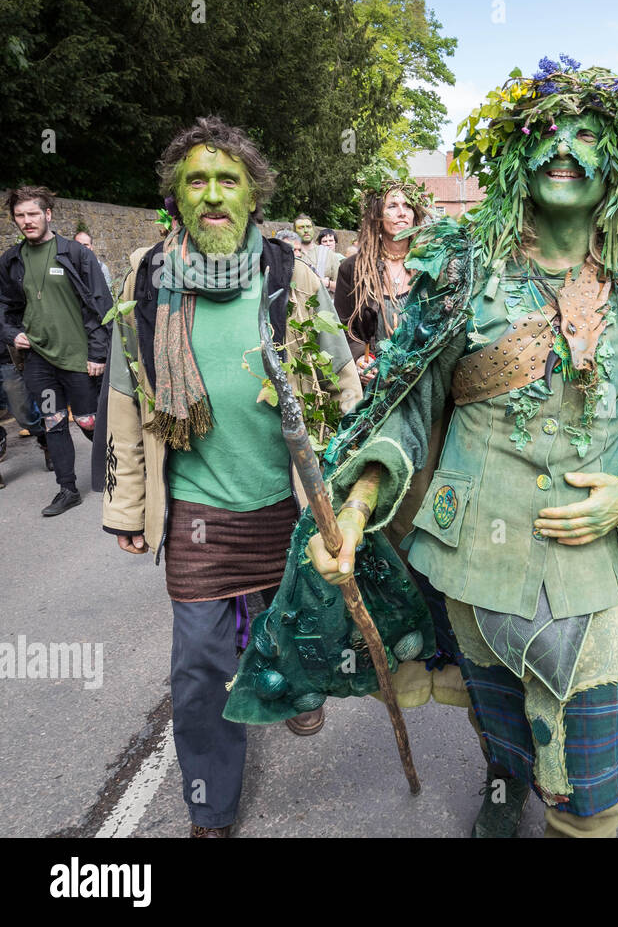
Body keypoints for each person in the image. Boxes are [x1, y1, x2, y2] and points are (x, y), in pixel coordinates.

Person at [291, 58, 618, 838]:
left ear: (614, 167)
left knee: (590, 778)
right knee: (499, 709)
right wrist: (358, 501)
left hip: (602, 558)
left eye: (589, 135)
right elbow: (409, 404)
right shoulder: (461, 271)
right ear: (516, 158)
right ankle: (501, 782)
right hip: (470, 555)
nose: (567, 148)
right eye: (548, 132)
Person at [99, 117, 361, 837]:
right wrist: (128, 508)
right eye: (196, 181)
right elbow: (127, 397)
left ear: (253, 195)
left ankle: (300, 684)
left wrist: (349, 494)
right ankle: (210, 805)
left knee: (297, 626)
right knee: (198, 673)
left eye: (228, 180)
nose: (213, 194)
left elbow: (342, 386)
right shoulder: (145, 279)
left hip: (286, 500)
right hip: (197, 513)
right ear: (175, 199)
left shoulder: (291, 273)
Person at [0, 186, 113, 515]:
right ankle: (67, 489)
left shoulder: (75, 254)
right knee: (54, 422)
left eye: (33, 214)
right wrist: (12, 333)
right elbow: (4, 307)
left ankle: (124, 472)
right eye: (20, 216)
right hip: (39, 361)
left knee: (90, 421)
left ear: (48, 214)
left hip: (79, 358)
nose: (27, 221)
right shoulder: (12, 260)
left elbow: (99, 303)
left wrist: (98, 354)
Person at [332, 171, 429, 385]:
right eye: (392, 206)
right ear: (377, 216)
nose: (402, 213)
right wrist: (360, 360)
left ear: (415, 215)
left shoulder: (429, 267)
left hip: (419, 381)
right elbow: (341, 327)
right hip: (374, 384)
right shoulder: (353, 268)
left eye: (408, 206)